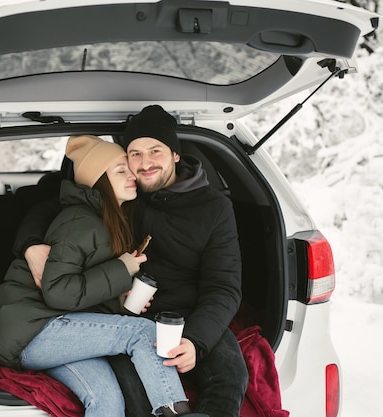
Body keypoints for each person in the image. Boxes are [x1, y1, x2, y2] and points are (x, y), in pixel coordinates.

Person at [17, 106, 249, 417]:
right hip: (125, 318)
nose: (145, 163)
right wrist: (31, 245)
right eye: (134, 154)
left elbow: (224, 287)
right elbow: (52, 208)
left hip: (190, 315)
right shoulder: (122, 194)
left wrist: (195, 341)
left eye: (156, 151)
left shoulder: (214, 208)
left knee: (231, 378)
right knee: (135, 399)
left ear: (175, 154)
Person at [0, 134, 198, 417]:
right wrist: (121, 269)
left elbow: (81, 293)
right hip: (31, 331)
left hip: (49, 337)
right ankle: (174, 411)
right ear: (99, 181)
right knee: (143, 332)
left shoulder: (110, 221)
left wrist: (121, 300)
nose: (132, 175)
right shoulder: (80, 222)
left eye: (129, 169)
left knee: (106, 400)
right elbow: (58, 291)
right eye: (120, 171)